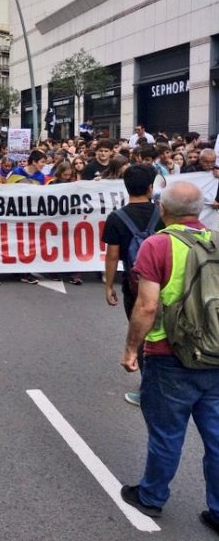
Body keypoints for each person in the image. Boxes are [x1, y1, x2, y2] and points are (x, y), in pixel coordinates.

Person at [119, 181, 219, 532]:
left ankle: (152, 496)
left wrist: (132, 348)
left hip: (169, 353)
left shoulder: (158, 244)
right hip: (216, 352)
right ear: (201, 209)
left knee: (166, 433)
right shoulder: (217, 239)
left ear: (163, 210)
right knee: (217, 436)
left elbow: (147, 306)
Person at [103, 164, 161, 406]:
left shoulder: (117, 218)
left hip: (135, 285)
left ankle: (148, 389)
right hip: (165, 283)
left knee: (142, 334)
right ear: (150, 187)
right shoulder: (163, 213)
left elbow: (112, 255)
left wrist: (108, 285)